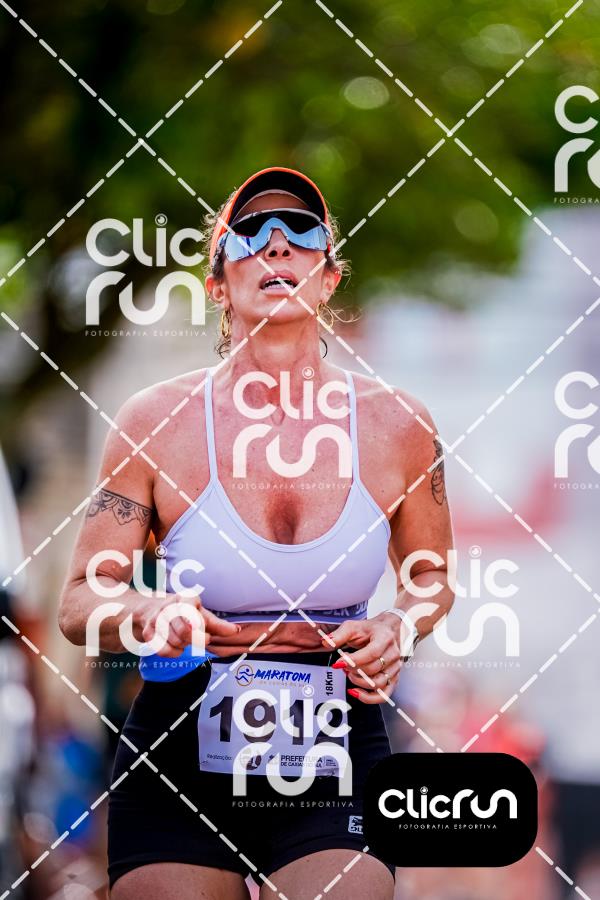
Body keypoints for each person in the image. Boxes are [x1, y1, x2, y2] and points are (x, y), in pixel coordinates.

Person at [59, 166, 455, 900]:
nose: (276, 245)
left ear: (328, 278)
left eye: (301, 233)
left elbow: (431, 576)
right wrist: (148, 613)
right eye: (250, 235)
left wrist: (399, 625)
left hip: (337, 740)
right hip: (179, 743)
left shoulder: (400, 424)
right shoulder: (154, 421)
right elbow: (80, 601)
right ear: (217, 285)